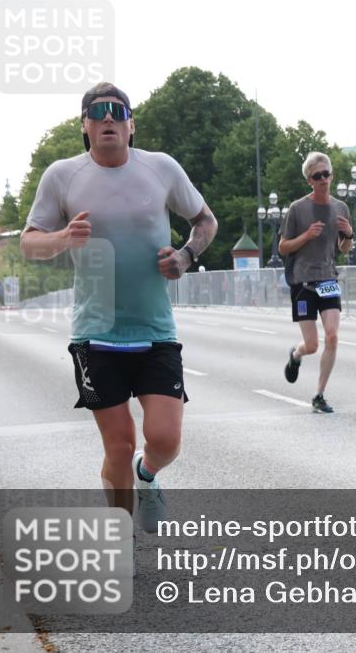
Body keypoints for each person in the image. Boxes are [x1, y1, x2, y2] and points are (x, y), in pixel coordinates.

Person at [21, 83, 218, 532]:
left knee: (165, 440)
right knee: (119, 444)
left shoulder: (161, 168)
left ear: (131, 125)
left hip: (155, 330)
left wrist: (186, 255)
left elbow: (205, 220)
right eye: (97, 112)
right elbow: (29, 243)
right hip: (95, 334)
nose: (107, 118)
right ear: (85, 126)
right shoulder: (62, 176)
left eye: (117, 111)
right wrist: (62, 238)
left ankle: (146, 474)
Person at [279, 152, 353, 413]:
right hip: (302, 282)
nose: (323, 179)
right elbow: (283, 247)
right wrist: (306, 236)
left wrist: (349, 234)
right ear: (309, 180)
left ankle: (319, 394)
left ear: (332, 175)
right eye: (317, 176)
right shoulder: (298, 209)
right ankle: (296, 354)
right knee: (312, 345)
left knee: (332, 337)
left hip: (328, 279)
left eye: (326, 174)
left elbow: (344, 248)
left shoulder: (341, 208)